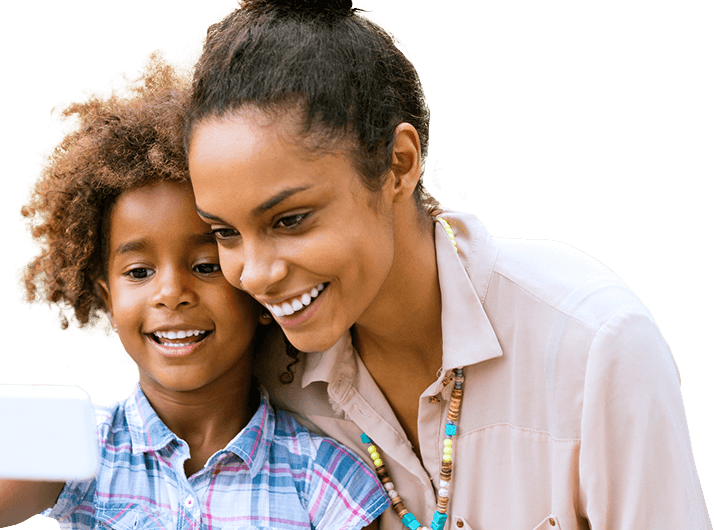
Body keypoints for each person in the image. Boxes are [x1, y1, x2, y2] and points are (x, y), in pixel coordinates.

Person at [183, 1, 710, 529]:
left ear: (399, 164)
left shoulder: (592, 347)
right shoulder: (266, 378)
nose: (255, 274)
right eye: (225, 233)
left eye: (290, 220)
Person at [0, 50, 389, 530]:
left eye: (205, 265)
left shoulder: (322, 478)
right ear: (105, 294)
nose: (171, 292)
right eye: (138, 272)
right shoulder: (78, 446)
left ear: (251, 287)